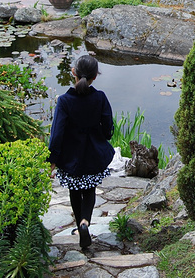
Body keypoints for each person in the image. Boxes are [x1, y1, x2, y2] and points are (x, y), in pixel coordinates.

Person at [48, 55, 115, 250]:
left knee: (75, 191)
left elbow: (57, 134)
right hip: (93, 155)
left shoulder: (64, 101)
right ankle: (85, 222)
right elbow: (108, 130)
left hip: (71, 158)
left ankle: (79, 227)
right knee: (90, 189)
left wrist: (52, 160)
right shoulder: (100, 97)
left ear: (73, 72)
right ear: (95, 76)